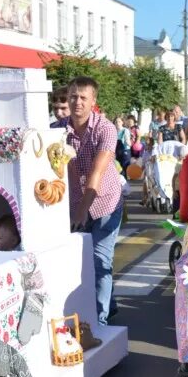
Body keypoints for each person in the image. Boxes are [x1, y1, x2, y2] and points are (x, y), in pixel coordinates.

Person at [65, 76, 123, 326]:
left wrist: (82, 210)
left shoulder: (106, 128)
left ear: (93, 102)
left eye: (83, 98)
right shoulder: (57, 129)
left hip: (105, 203)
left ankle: (100, 322)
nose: (77, 102)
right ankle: (108, 301)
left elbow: (96, 173)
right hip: (74, 203)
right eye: (73, 96)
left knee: (100, 260)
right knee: (77, 261)